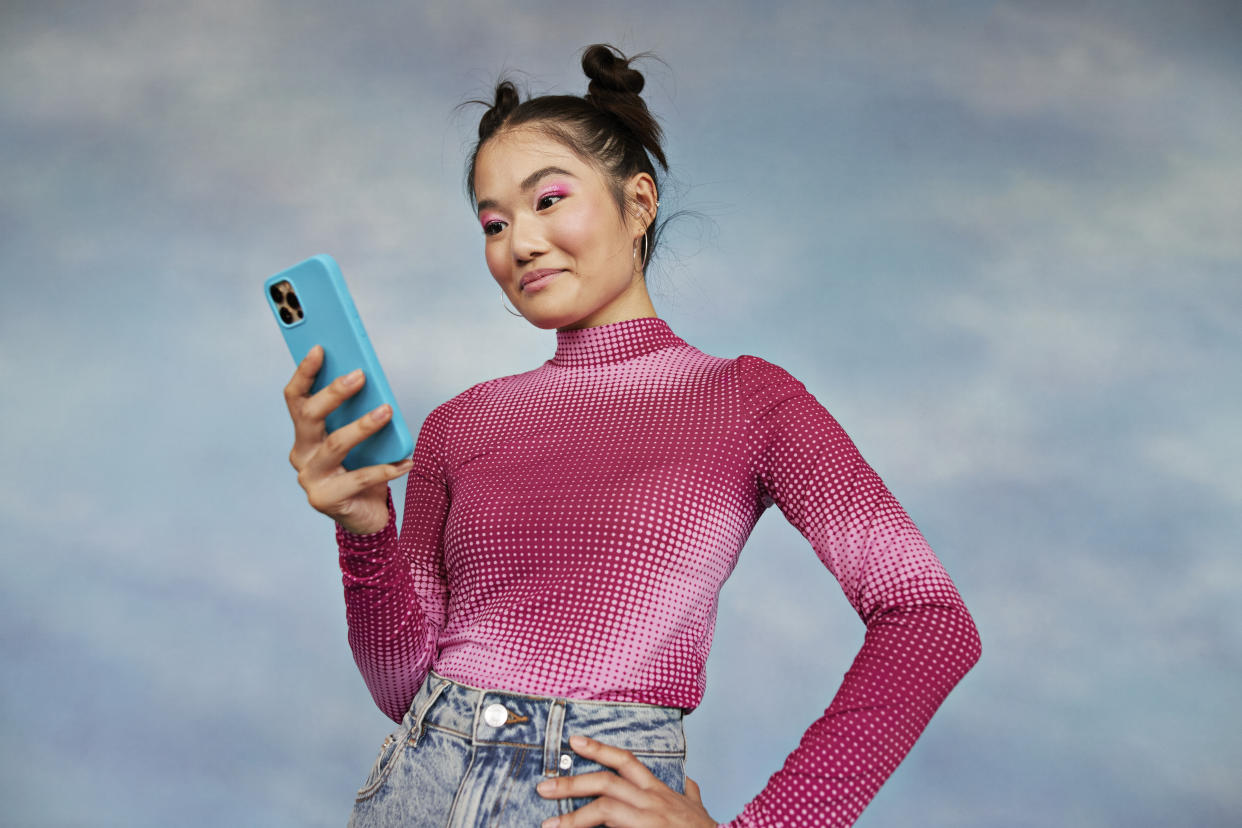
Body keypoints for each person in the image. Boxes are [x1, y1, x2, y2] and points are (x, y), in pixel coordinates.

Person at [283, 43, 981, 828]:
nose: (519, 242)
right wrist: (363, 530)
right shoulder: (459, 424)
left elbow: (927, 618)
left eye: (548, 200)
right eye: (493, 222)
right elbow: (402, 688)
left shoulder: (748, 400)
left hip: (587, 801)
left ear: (639, 202)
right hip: (416, 788)